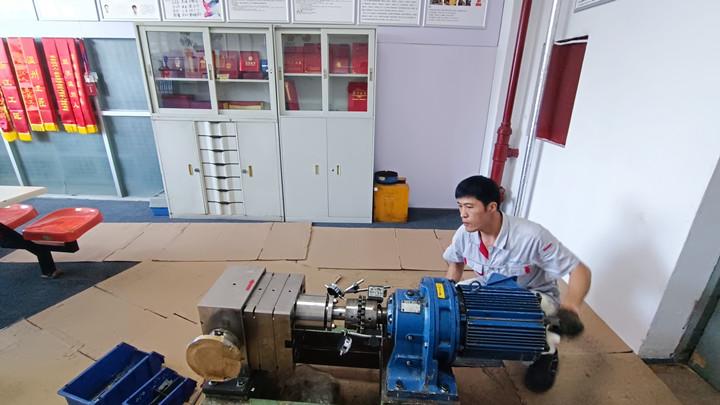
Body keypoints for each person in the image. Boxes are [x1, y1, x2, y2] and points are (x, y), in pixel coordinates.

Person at [443, 175, 591, 392]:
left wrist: (570, 308)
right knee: (452, 307)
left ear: (491, 207)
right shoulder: (464, 234)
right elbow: (455, 263)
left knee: (537, 380)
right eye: (459, 206)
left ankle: (546, 351)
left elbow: (579, 271)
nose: (462, 214)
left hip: (532, 296)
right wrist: (445, 295)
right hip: (491, 288)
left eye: (469, 207)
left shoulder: (531, 236)